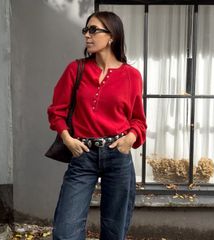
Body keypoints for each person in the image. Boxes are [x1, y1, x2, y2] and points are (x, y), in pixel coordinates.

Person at [47, 11, 147, 240]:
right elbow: (57, 110)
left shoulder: (132, 76)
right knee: (65, 232)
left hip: (117, 156)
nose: (87, 35)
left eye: (94, 30)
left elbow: (138, 120)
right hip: (82, 155)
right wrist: (67, 138)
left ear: (112, 35)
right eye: (86, 30)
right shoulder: (76, 69)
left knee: (114, 231)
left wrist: (130, 139)